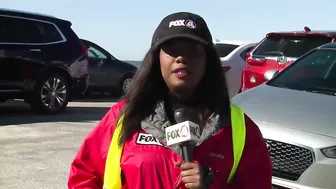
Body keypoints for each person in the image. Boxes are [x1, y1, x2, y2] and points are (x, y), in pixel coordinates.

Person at [68, 12, 273, 189]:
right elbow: (83, 176)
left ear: (207, 60)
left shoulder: (239, 128)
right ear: (157, 58)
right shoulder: (122, 117)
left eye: (192, 49)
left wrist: (212, 183)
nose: (181, 57)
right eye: (172, 49)